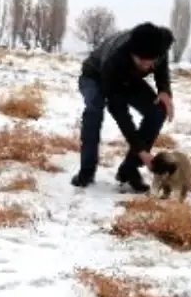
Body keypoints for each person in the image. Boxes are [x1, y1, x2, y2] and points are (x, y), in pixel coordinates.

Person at [71, 22, 176, 193]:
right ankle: (86, 171)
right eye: (142, 61)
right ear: (132, 53)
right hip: (96, 76)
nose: (147, 67)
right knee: (95, 108)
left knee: (158, 110)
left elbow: (162, 68)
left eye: (151, 62)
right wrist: (141, 149)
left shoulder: (160, 44)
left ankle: (129, 169)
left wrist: (164, 90)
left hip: (129, 79)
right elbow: (119, 112)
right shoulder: (115, 58)